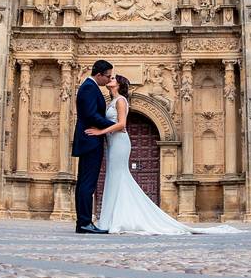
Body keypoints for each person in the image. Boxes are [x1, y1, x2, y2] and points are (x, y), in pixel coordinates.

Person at [86, 74, 241, 235]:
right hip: (113, 143)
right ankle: (113, 218)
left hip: (119, 143)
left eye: (112, 79)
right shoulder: (112, 100)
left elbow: (122, 124)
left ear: (118, 85)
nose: (109, 80)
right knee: (115, 177)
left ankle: (117, 219)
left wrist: (100, 132)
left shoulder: (121, 101)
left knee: (118, 176)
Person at [71, 60, 116, 234]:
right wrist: (113, 126)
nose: (108, 79)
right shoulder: (90, 88)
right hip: (90, 140)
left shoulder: (89, 87)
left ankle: (83, 222)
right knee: (87, 184)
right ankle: (84, 222)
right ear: (98, 74)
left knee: (84, 183)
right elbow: (91, 114)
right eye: (107, 76)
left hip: (88, 140)